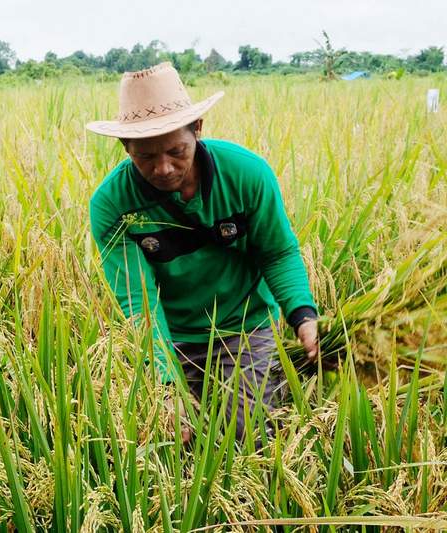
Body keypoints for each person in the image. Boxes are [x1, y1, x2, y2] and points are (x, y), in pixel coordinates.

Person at [86, 62, 319, 442]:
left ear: (198, 129)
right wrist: (164, 383)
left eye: (176, 151)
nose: (163, 168)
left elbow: (277, 253)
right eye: (145, 156)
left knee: (246, 435)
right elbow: (138, 302)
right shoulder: (113, 205)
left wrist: (303, 317)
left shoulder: (246, 175)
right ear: (125, 147)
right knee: (173, 441)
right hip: (172, 335)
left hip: (245, 324)